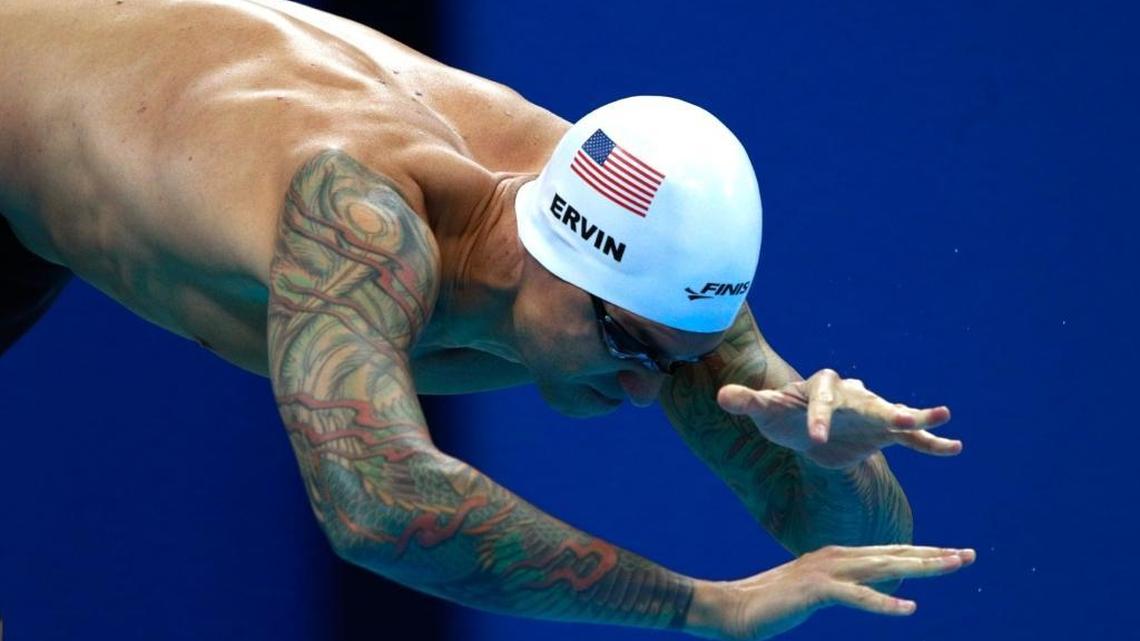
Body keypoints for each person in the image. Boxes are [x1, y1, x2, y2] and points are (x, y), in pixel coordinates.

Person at [0, 1, 974, 638]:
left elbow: (836, 536)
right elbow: (376, 506)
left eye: (666, 357)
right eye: (632, 349)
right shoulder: (361, 211)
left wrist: (828, 455)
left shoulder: (642, 271)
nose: (645, 387)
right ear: (552, 254)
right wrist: (703, 605)